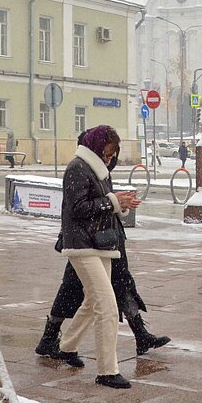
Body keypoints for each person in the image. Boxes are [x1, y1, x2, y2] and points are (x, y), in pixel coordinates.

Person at [36, 126, 170, 369]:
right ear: (95, 147)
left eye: (111, 155)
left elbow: (101, 202)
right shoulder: (78, 168)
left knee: (92, 299)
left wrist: (119, 202)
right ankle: (107, 371)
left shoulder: (98, 170)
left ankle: (66, 346)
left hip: (102, 242)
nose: (109, 159)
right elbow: (77, 208)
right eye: (106, 154)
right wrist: (113, 201)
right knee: (105, 306)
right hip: (83, 244)